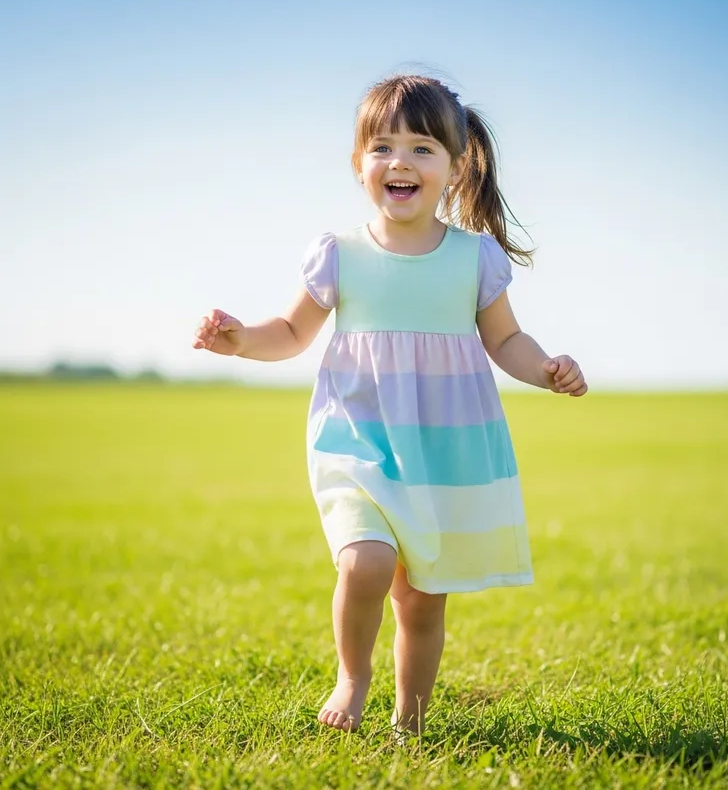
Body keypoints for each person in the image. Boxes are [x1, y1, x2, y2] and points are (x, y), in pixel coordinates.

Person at [192, 74, 587, 737]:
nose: (400, 161)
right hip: (359, 438)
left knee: (423, 599)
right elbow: (290, 334)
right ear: (359, 166)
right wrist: (239, 341)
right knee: (366, 561)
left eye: (423, 149)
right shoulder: (340, 255)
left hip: (442, 449)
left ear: (457, 170)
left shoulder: (473, 258)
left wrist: (547, 370)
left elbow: (507, 340)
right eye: (382, 147)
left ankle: (412, 721)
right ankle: (354, 675)